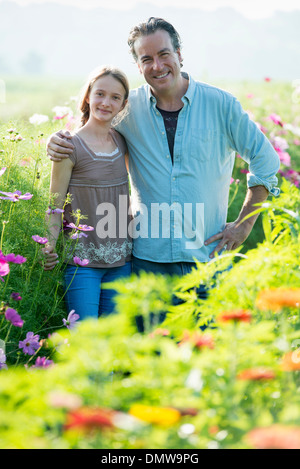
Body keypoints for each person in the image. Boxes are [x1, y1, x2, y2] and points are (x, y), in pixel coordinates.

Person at [46, 17, 280, 279]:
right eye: (146, 59)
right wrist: (58, 139)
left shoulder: (221, 104)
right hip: (148, 263)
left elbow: (266, 161)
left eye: (164, 54)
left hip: (208, 259)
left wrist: (243, 225)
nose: (157, 66)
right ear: (138, 66)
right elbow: (91, 131)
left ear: (179, 55)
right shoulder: (127, 107)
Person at [43, 65, 132, 320]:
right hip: (82, 263)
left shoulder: (121, 143)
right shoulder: (69, 147)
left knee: (111, 338)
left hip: (121, 262)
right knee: (84, 339)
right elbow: (55, 205)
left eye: (115, 97)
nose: (106, 102)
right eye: (100, 94)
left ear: (123, 104)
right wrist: (49, 244)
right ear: (88, 97)